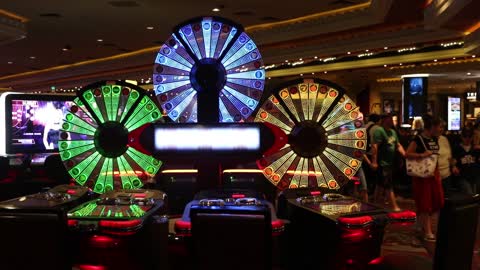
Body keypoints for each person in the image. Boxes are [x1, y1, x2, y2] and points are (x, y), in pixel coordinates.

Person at [406, 115, 443, 242]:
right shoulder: (418, 139)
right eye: (439, 126)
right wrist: (422, 155)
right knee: (425, 203)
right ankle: (427, 231)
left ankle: (420, 224)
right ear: (432, 127)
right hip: (422, 177)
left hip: (434, 174)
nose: (441, 129)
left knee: (437, 202)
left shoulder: (435, 138)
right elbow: (407, 154)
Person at [371, 114, 406, 211]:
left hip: (390, 163)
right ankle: (394, 207)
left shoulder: (393, 132)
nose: (392, 121)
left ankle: (374, 205)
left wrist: (405, 155)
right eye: (390, 119)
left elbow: (398, 145)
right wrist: (374, 162)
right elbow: (375, 147)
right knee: (388, 185)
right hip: (382, 163)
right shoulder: (379, 131)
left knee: (380, 185)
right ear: (385, 120)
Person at [451, 128, 480, 195]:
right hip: (462, 177)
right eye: (465, 136)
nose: (467, 138)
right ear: (461, 137)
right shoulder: (457, 148)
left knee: (476, 194)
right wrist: (454, 166)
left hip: (475, 175)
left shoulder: (475, 148)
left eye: (469, 136)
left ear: (472, 137)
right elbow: (453, 160)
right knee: (469, 194)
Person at [437, 120, 454, 196]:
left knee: (447, 200)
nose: (442, 129)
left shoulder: (444, 139)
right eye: (440, 127)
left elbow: (449, 156)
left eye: (443, 127)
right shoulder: (429, 140)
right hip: (436, 177)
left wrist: (453, 166)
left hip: (447, 175)